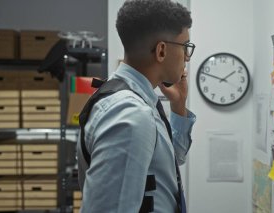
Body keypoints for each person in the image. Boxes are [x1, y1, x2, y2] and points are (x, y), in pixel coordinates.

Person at [77, 0, 196, 212]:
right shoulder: (131, 114)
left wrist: (179, 105)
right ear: (161, 51)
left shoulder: (137, 98)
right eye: (185, 47)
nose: (187, 57)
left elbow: (171, 159)